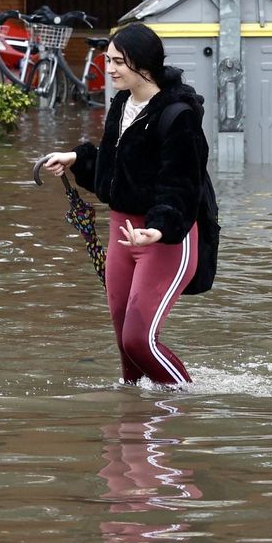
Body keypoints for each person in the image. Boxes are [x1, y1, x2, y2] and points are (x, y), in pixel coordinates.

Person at [39, 22, 208, 386]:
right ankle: (131, 427)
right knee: (125, 347)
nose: (110, 68)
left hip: (164, 240)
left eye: (118, 62)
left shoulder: (179, 114)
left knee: (139, 340)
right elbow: (120, 167)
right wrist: (76, 159)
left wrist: (159, 229)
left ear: (143, 65)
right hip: (121, 234)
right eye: (108, 59)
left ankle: (185, 406)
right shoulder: (122, 103)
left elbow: (182, 184)